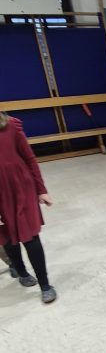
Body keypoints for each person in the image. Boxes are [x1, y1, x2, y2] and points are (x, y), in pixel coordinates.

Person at [0, 112, 57, 304]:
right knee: (7, 236)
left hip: (20, 188)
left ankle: (45, 285)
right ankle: (22, 272)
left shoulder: (10, 125)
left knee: (30, 237)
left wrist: (41, 189)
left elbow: (30, 158)